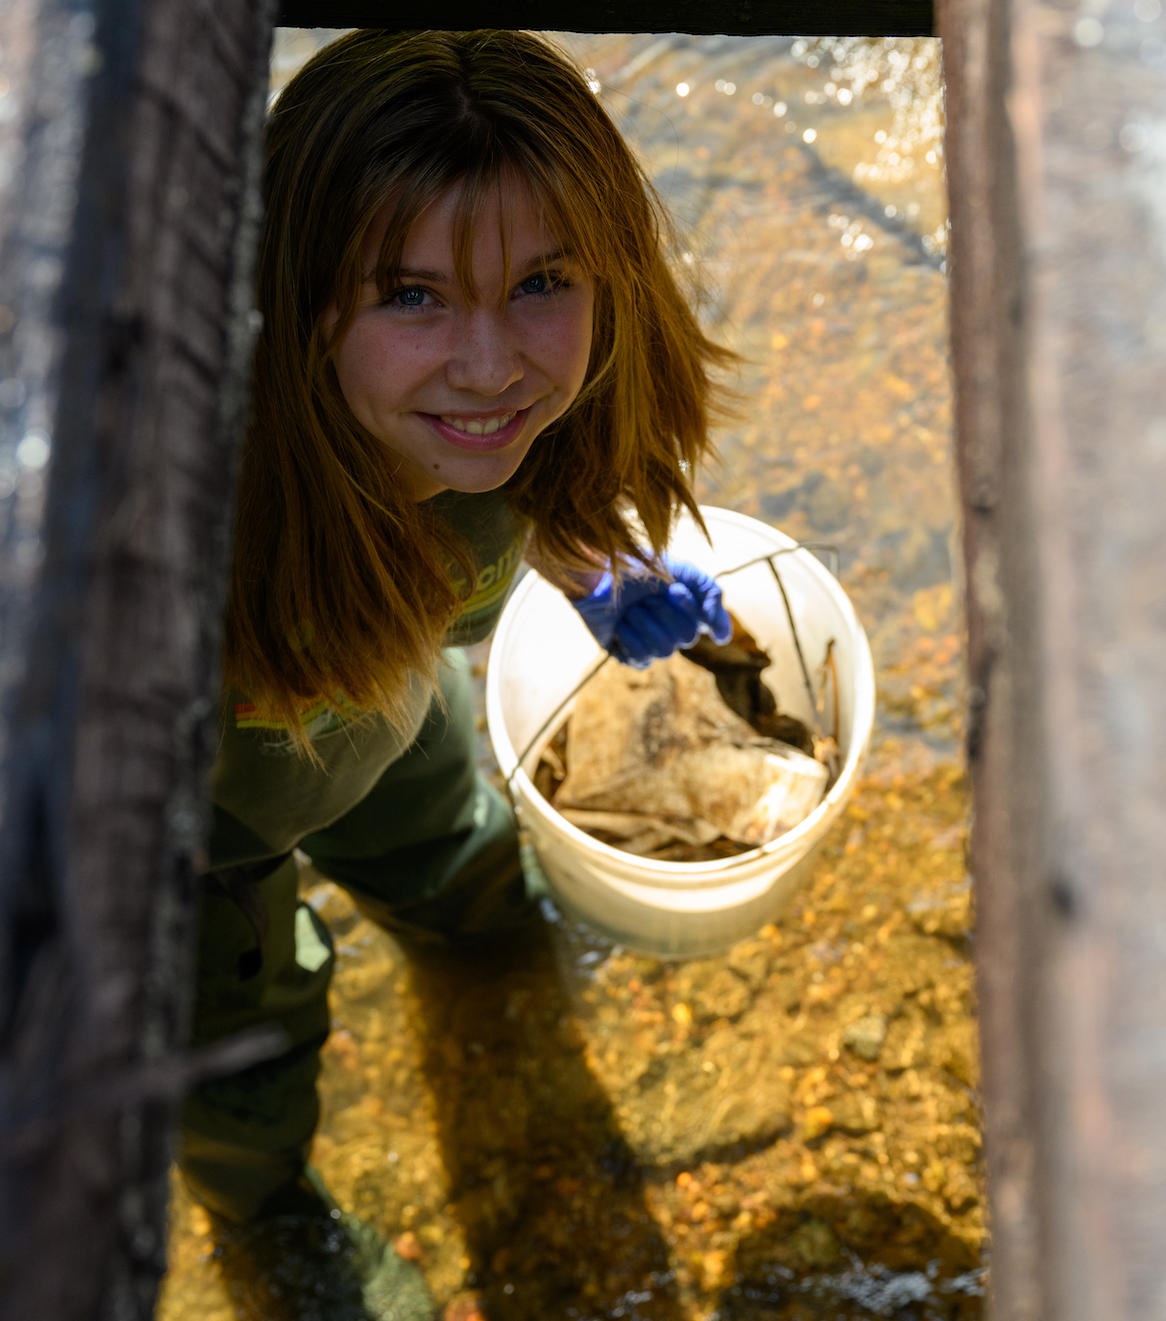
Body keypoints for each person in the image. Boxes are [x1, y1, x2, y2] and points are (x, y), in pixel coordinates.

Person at [178, 28, 737, 1318]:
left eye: (543, 280)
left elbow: (547, 486)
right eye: (412, 296)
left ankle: (481, 951)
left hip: (385, 719)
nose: (493, 370)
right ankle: (269, 1214)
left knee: (463, 861)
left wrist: (598, 571)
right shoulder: (198, 512)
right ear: (291, 300)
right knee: (239, 1049)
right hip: (205, 835)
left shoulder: (535, 427)